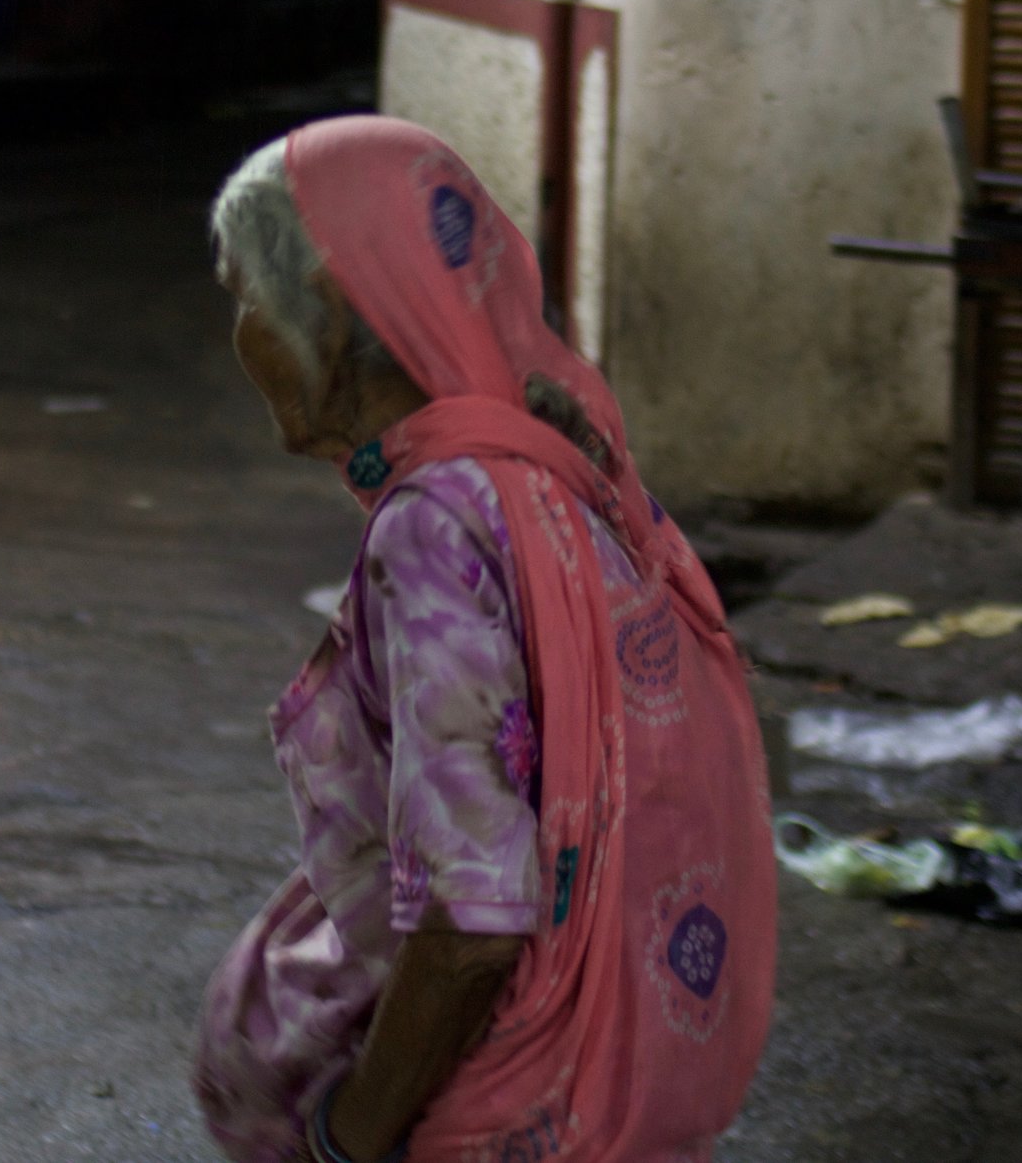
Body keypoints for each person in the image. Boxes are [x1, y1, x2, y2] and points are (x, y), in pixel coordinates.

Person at [195, 118, 776, 1163]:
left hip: (515, 1107)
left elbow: (473, 912)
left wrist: (353, 1132)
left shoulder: (435, 523)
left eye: (246, 301)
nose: (238, 335)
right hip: (625, 1063)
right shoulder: (550, 459)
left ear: (324, 315)